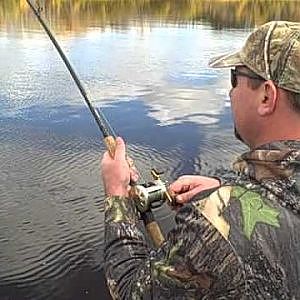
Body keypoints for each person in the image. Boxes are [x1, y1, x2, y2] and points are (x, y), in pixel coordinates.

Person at [101, 21, 300, 299]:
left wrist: (117, 194)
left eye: (234, 78)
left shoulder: (217, 224)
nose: (230, 92)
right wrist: (229, 186)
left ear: (267, 96)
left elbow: (131, 291)